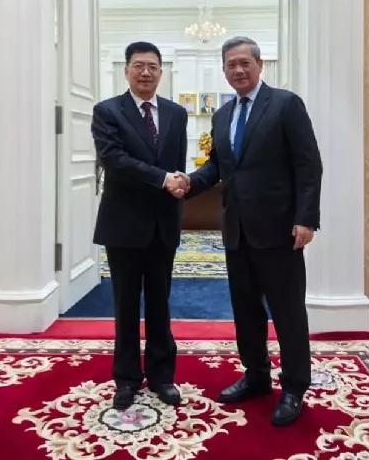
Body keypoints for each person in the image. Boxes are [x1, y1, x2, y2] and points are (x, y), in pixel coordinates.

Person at [177, 35, 323, 427]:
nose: (238, 70)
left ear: (260, 65)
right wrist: (188, 183)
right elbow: (217, 167)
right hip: (236, 231)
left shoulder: (286, 105)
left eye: (245, 62)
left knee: (288, 312)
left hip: (279, 230)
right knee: (246, 311)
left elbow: (308, 164)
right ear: (224, 70)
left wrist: (306, 218)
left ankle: (294, 387)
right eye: (231, 64)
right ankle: (256, 376)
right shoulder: (223, 115)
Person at [90, 41, 190, 411]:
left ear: (161, 72)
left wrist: (177, 183)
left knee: (161, 304)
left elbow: (176, 163)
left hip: (163, 223)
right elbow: (114, 159)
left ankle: (162, 376)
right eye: (138, 66)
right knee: (126, 305)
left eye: (152, 66)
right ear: (126, 70)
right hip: (123, 224)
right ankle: (127, 379)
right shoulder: (107, 111)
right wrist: (164, 179)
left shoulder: (176, 113)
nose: (145, 72)